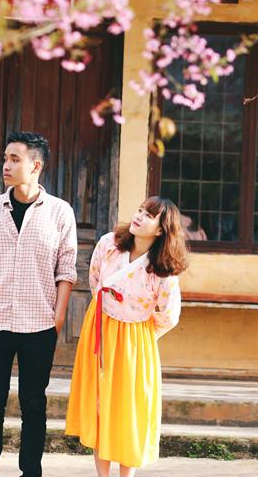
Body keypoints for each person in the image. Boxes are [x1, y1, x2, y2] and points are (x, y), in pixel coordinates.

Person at [0, 131, 78, 477]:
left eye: (15, 159)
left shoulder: (60, 212)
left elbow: (67, 268)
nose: (6, 165)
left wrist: (58, 317)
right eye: (5, 158)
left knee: (34, 404)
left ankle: (31, 472)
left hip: (39, 325)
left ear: (36, 166)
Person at [65, 196, 188, 476]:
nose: (139, 216)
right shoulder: (108, 244)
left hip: (135, 339)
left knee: (130, 409)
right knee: (100, 405)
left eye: (149, 215)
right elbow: (95, 279)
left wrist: (141, 334)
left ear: (161, 229)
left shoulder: (162, 270)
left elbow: (169, 314)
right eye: (140, 210)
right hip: (100, 327)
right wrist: (109, 312)